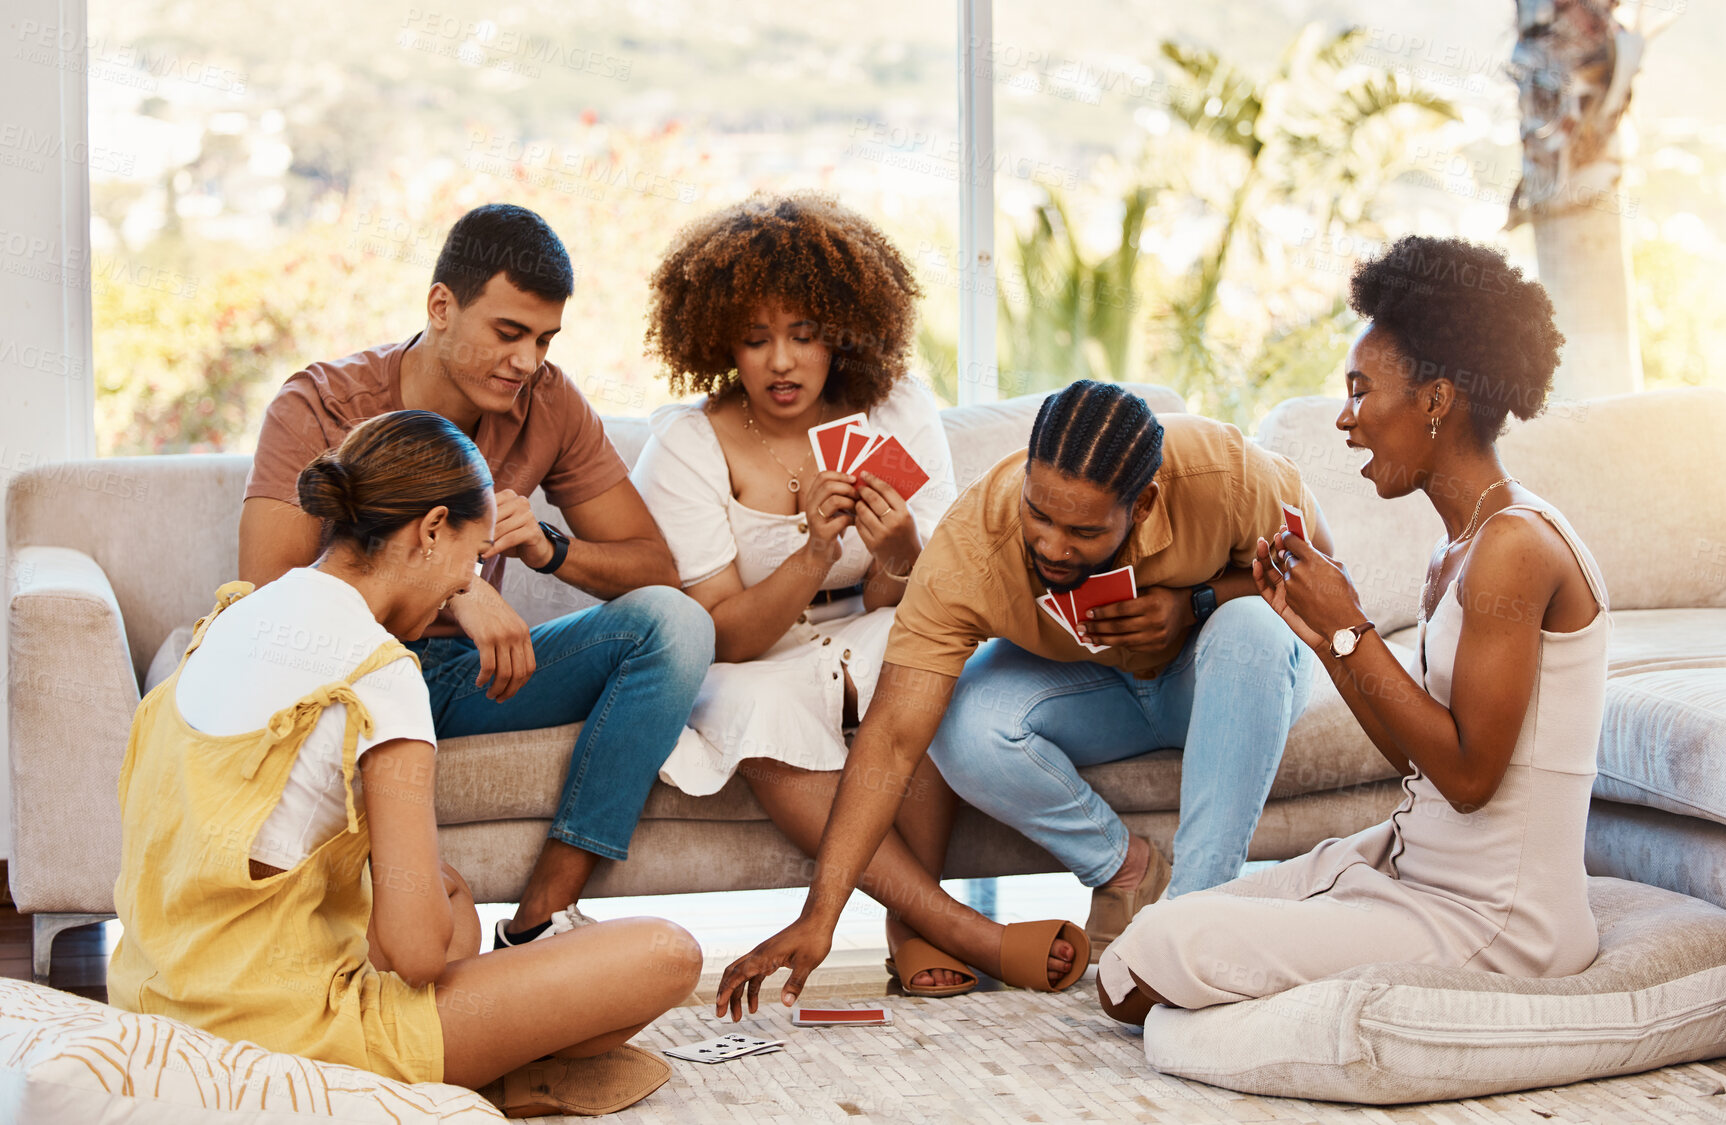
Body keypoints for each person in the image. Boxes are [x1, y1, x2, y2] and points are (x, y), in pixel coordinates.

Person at [113, 412, 702, 1116]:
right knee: (667, 954)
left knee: (453, 904)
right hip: (284, 1034)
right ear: (429, 530)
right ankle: (455, 1080)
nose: (469, 582)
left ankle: (477, 1060)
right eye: (474, 554)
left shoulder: (232, 617)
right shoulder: (383, 672)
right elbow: (418, 955)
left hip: (158, 999)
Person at [1097, 235, 1607, 1023]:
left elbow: (1470, 780)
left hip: (1498, 921)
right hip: (1419, 869)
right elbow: (1419, 756)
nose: (1346, 418)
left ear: (1437, 400)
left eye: (1362, 390)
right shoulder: (1462, 544)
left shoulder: (1513, 546)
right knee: (1135, 953)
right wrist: (1320, 632)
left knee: (1146, 968)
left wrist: (1353, 628)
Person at [716, 378, 1333, 1018]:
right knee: (957, 714)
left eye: (1084, 532)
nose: (1052, 547)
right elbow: (895, 735)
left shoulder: (1223, 470)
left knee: (1252, 627)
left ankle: (1196, 916)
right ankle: (1126, 870)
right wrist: (822, 916)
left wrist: (1197, 603)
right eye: (1039, 514)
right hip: (1101, 697)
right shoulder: (970, 545)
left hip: (1220, 683)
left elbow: (1321, 575)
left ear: (1142, 504)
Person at [238, 203, 714, 948]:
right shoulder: (324, 405)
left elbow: (656, 570)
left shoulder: (547, 402)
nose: (527, 360)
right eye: (508, 332)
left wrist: (550, 549)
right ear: (441, 306)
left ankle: (540, 920)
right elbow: (268, 600)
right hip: (347, 679)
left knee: (678, 625)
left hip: (460, 677)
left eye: (544, 339)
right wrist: (460, 587)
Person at [635, 193, 1065, 997]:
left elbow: (925, 588)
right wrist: (813, 551)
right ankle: (953, 924)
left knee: (922, 654)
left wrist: (899, 545)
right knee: (753, 707)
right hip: (753, 653)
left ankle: (908, 924)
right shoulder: (686, 447)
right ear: (719, 338)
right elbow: (724, 634)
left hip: (874, 620)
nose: (782, 362)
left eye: (803, 334)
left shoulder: (893, 407)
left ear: (841, 327)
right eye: (756, 338)